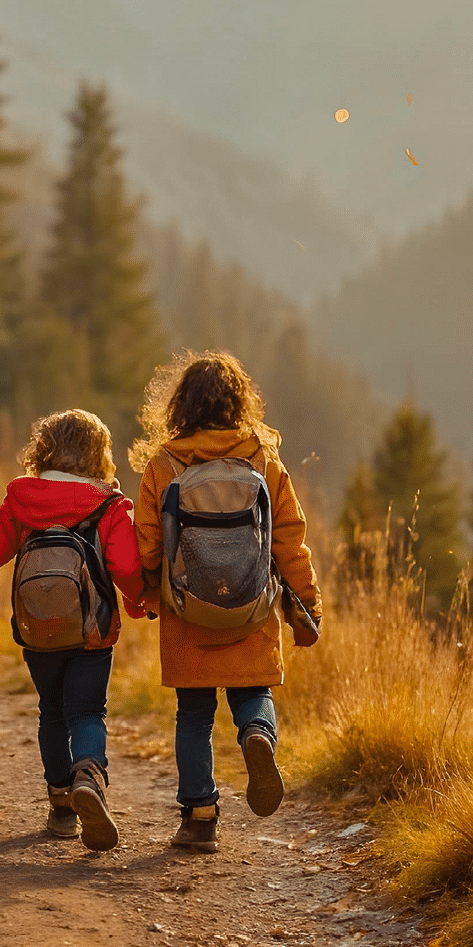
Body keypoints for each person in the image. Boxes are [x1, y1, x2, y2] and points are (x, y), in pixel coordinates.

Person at [131, 351, 321, 851]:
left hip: (186, 612)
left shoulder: (164, 464)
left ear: (181, 407)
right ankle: (257, 733)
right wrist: (305, 603)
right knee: (253, 692)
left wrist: (149, 595)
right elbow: (289, 540)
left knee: (193, 714)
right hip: (252, 609)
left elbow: (147, 543)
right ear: (240, 403)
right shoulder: (263, 460)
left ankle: (199, 815)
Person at [0, 409, 146, 851]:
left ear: (42, 452)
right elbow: (126, 567)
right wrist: (141, 602)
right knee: (87, 712)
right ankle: (89, 774)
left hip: (37, 634)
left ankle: (61, 804)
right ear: (98, 456)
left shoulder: (22, 499)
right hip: (92, 633)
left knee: (51, 710)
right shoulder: (108, 504)